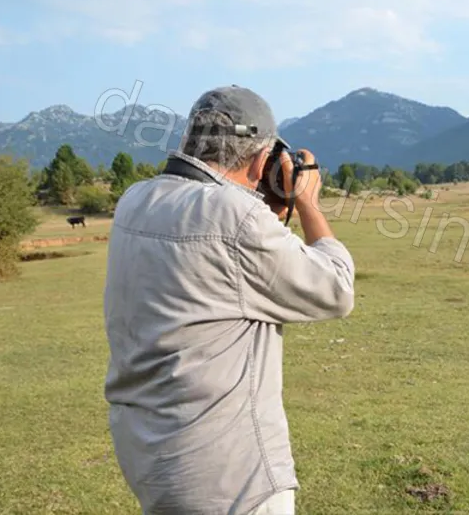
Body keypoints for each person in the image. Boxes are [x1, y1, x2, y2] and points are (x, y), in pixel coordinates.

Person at [102, 85, 356, 514]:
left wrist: (266, 213)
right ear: (261, 159)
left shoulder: (135, 201)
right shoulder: (235, 218)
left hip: (151, 456)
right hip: (228, 475)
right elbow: (336, 289)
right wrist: (307, 204)